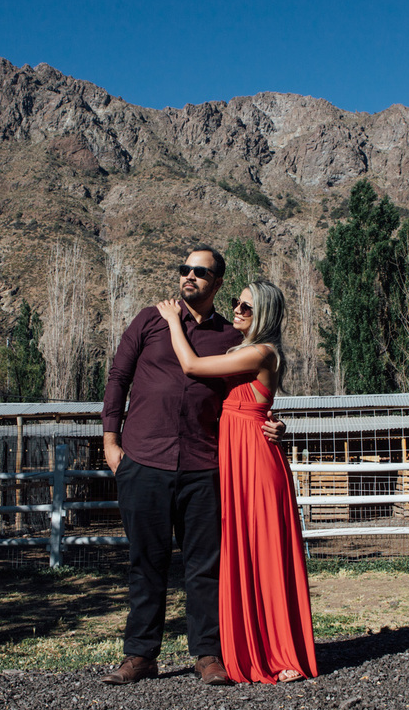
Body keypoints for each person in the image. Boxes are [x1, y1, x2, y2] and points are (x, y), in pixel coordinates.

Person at [100, 246, 285, 687]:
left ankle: (207, 655)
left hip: (205, 465)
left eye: (200, 272)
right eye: (185, 269)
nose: (189, 276)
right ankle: (140, 655)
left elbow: (250, 393)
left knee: (205, 565)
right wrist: (110, 441)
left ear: (217, 282)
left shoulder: (231, 336)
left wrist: (274, 422)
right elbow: (118, 377)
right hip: (144, 460)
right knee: (147, 563)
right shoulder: (150, 319)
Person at [153, 280, 317, 685]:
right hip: (235, 460)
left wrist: (174, 320)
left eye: (246, 306)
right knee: (240, 550)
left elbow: (191, 366)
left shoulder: (260, 351)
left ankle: (280, 652)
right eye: (236, 303)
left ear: (263, 313)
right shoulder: (242, 351)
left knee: (264, 552)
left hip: (256, 464)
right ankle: (248, 646)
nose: (237, 310)